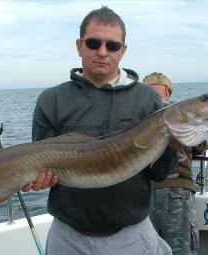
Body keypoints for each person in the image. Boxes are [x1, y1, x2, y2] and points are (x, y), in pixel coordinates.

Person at [23, 7, 180, 254]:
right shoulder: (51, 100)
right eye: (94, 43)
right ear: (79, 45)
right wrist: (39, 178)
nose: (102, 52)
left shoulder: (148, 100)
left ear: (123, 50)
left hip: (133, 233)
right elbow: (40, 166)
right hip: (68, 236)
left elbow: (160, 174)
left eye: (112, 46)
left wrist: (176, 143)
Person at [143, 72, 208, 255]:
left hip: (144, 191)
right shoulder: (183, 115)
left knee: (149, 248)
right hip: (177, 189)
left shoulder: (140, 118)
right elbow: (200, 147)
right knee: (180, 248)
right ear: (167, 91)